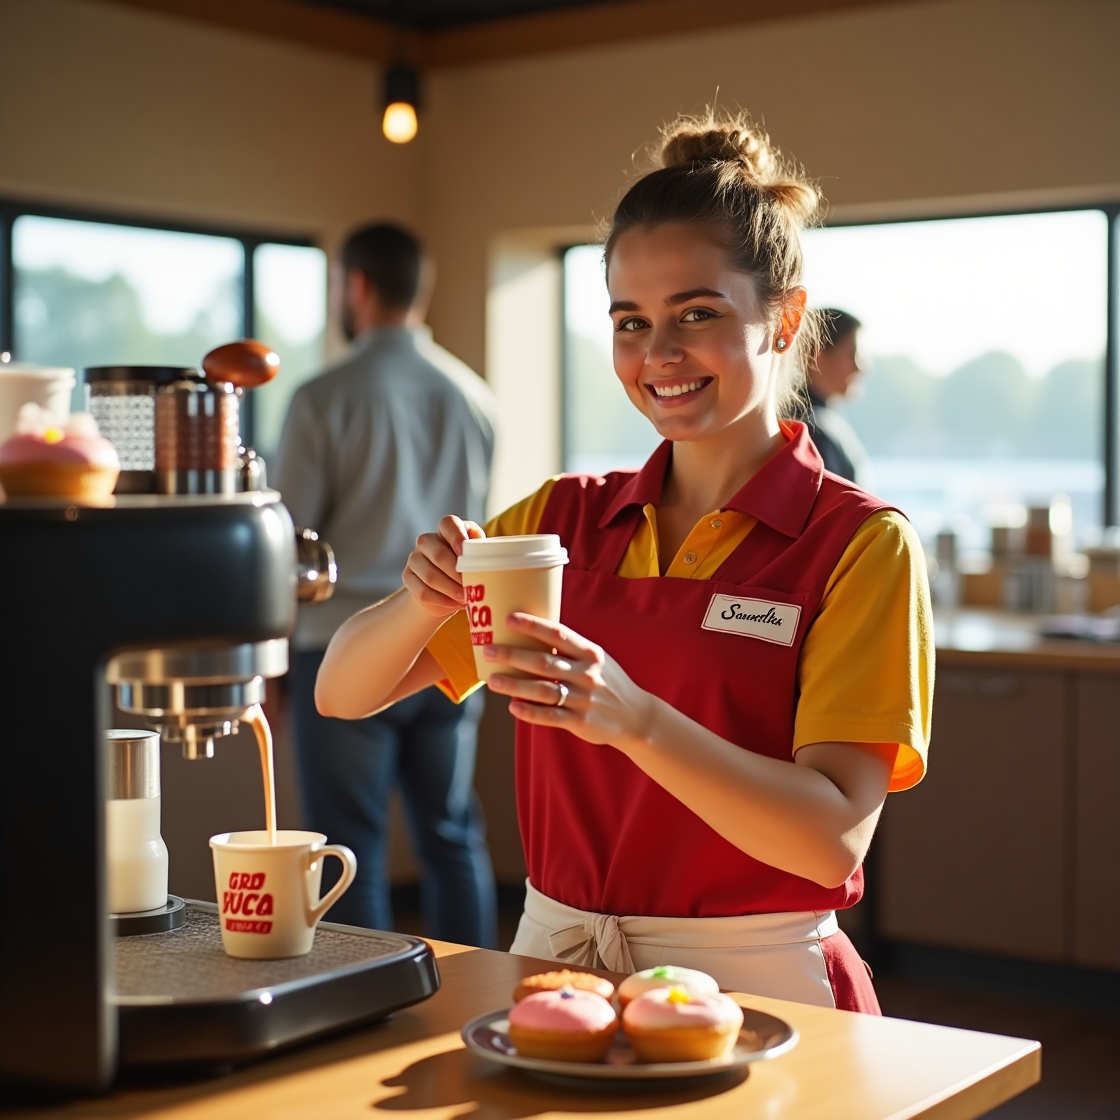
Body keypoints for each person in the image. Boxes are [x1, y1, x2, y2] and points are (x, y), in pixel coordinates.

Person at [314, 114, 933, 1013]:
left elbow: (832, 837)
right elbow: (344, 691)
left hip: (762, 989)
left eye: (697, 314)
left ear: (784, 317)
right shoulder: (560, 518)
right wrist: (420, 598)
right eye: (630, 322)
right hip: (554, 970)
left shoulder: (859, 545)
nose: (658, 356)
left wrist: (635, 718)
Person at [274, 222, 498, 947]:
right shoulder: (473, 395)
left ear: (357, 285)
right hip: (451, 647)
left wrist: (271, 661)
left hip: (344, 648)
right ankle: (474, 1000)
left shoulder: (321, 397)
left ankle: (361, 1016)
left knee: (350, 849)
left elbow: (288, 543)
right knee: (452, 835)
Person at [805, 308, 870, 485]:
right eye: (853, 355)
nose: (862, 367)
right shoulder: (810, 431)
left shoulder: (820, 421)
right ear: (818, 356)